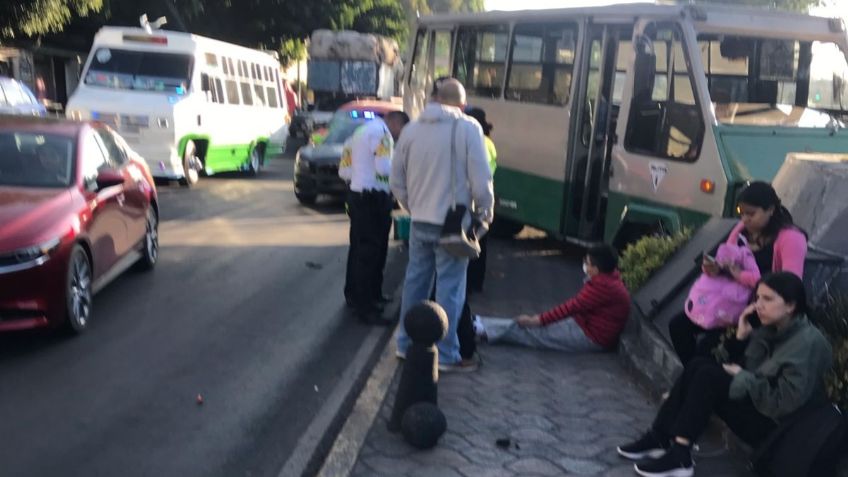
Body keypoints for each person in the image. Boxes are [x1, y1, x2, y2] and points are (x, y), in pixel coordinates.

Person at [618, 272, 832, 477]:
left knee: (708, 377)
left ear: (791, 305)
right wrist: (740, 337)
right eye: (757, 298)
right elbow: (733, 365)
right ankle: (661, 437)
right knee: (699, 365)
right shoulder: (769, 329)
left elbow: (785, 403)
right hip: (758, 406)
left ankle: (680, 455)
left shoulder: (809, 344)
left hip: (778, 430)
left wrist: (743, 377)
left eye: (767, 299)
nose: (758, 305)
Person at [391, 78, 494, 372]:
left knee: (415, 283)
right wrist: (486, 211)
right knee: (450, 288)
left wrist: (413, 207)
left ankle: (405, 344)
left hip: (420, 220)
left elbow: (397, 179)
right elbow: (481, 178)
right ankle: (446, 354)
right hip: (453, 224)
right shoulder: (467, 128)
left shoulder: (411, 130)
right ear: (461, 105)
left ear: (434, 99)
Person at [669, 181, 808, 366]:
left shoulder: (791, 238)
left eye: (751, 213)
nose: (745, 219)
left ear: (771, 210)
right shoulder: (742, 230)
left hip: (757, 310)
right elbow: (727, 258)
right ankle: (691, 381)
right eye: (741, 213)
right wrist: (716, 268)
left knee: (706, 350)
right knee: (678, 326)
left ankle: (691, 383)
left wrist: (740, 275)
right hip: (726, 302)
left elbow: (791, 285)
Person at [477, 245, 630, 352]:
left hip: (591, 336)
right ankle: (481, 324)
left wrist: (538, 319)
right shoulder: (609, 279)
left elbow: (571, 307)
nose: (585, 266)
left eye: (587, 263)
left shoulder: (603, 286)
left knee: (536, 334)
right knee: (531, 327)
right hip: (584, 324)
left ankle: (481, 328)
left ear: (596, 269)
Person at [339, 110, 410, 325]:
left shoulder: (359, 132)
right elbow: (384, 167)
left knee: (358, 249)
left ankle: (357, 296)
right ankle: (367, 307)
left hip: (357, 195)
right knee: (372, 252)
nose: (399, 137)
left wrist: (361, 177)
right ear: (395, 124)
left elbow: (345, 171)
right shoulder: (383, 135)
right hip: (374, 199)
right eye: (401, 132)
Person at [464, 106, 496, 293]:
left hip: (475, 197)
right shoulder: (488, 141)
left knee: (470, 241)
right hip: (485, 193)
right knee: (481, 243)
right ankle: (477, 283)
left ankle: (470, 283)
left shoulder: (477, 141)